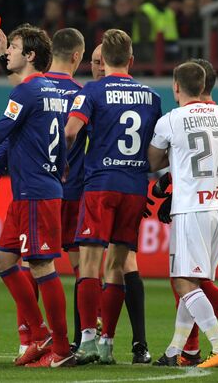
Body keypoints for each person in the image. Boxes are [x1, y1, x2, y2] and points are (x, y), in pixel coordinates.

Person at [0, 24, 74, 368]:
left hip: (35, 193)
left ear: (29, 55)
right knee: (3, 261)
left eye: (12, 47)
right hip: (31, 190)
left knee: (42, 265)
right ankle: (40, 335)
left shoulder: (27, 92)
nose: (7, 51)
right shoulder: (49, 89)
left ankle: (61, 348)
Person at [65, 29, 162, 365]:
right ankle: (108, 344)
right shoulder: (152, 97)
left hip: (100, 185)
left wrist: (66, 162)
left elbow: (70, 131)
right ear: (131, 60)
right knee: (118, 267)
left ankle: (89, 341)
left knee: (90, 264)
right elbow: (155, 152)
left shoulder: (93, 90)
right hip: (135, 189)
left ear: (104, 61)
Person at [148, 61, 218, 368]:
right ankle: (178, 350)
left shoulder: (171, 120)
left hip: (192, 207)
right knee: (193, 279)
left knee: (184, 282)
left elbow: (153, 162)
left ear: (176, 87)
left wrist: (173, 155)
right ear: (205, 86)